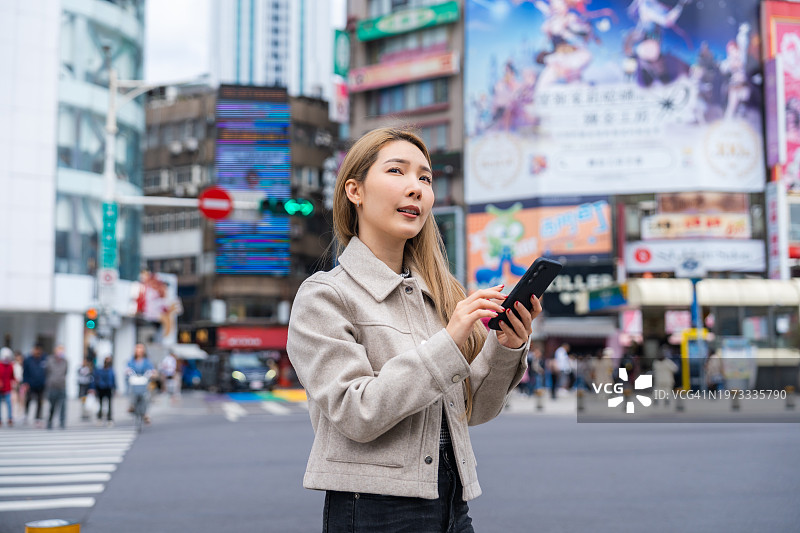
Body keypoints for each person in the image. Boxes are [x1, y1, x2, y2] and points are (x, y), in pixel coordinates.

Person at [286, 127, 543, 533]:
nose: (416, 188)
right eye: (397, 171)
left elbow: (474, 410)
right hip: (373, 510)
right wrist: (450, 340)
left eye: (425, 178)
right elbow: (357, 412)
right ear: (355, 190)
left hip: (452, 505)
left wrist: (505, 346)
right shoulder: (324, 295)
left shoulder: (438, 293)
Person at [127, 343, 155, 424]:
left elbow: (152, 370)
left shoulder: (147, 361)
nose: (139, 350)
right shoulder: (131, 361)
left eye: (141, 348)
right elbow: (127, 368)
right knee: (131, 391)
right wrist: (127, 372)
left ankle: (146, 413)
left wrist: (152, 373)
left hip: (144, 381)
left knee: (147, 396)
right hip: (134, 381)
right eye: (137, 348)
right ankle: (131, 405)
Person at [22, 344, 47, 426]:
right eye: (36, 350)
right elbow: (25, 372)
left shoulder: (44, 359)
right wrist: (25, 382)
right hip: (30, 384)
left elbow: (47, 371)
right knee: (28, 400)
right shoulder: (28, 359)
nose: (37, 352)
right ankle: (26, 415)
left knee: (40, 402)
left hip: (41, 384)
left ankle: (38, 418)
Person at [45, 345, 68, 430]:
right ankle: (50, 421)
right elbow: (47, 372)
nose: (60, 352)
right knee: (52, 406)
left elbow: (66, 372)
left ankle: (62, 422)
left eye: (62, 351)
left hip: (62, 386)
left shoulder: (65, 361)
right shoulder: (50, 360)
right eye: (59, 350)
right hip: (52, 386)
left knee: (63, 406)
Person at [93, 356, 117, 426]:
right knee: (100, 404)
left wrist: (115, 388)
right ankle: (99, 418)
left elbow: (114, 379)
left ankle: (109, 418)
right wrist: (94, 388)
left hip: (108, 388)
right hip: (101, 388)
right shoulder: (100, 370)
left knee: (109, 404)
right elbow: (96, 379)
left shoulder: (111, 370)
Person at [0, 348, 15, 426]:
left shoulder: (10, 366)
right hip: (0, 388)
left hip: (7, 387)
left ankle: (10, 418)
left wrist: (15, 382)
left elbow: (12, 376)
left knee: (9, 403)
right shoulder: (0, 365)